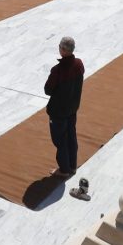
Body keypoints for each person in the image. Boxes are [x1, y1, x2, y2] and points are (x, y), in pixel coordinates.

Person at [44, 35, 84, 178]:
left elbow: (47, 89)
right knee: (71, 137)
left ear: (63, 50)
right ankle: (72, 166)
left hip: (59, 111)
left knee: (60, 140)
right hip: (72, 109)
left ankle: (64, 169)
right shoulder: (79, 64)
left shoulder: (58, 70)